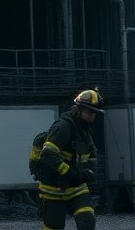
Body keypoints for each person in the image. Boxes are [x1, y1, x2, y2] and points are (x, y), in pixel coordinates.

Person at [37, 89, 102, 230]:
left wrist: (89, 170)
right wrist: (69, 172)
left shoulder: (85, 129)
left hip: (77, 188)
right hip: (53, 189)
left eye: (95, 113)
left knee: (87, 223)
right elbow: (47, 154)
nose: (93, 117)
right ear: (78, 110)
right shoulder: (63, 128)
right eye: (90, 112)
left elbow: (90, 155)